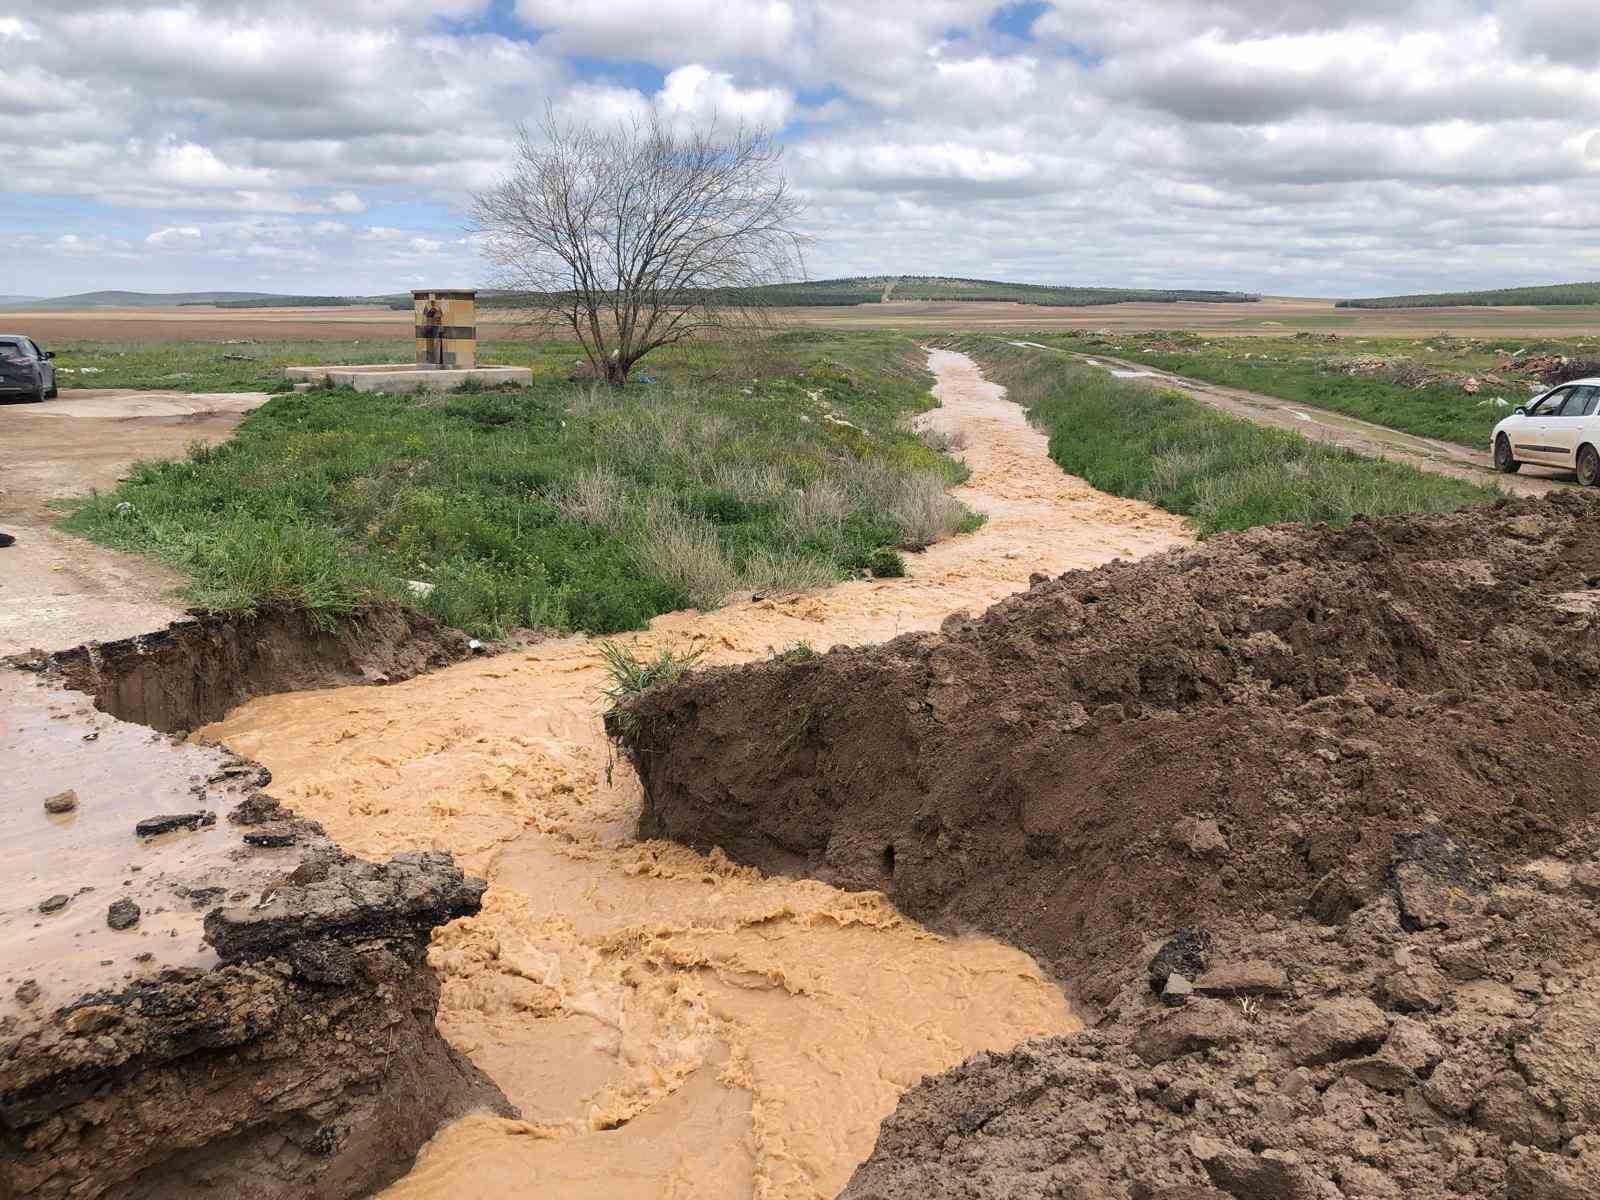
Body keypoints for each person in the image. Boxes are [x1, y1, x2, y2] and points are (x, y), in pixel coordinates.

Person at [421, 299, 444, 367]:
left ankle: (437, 362)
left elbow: (439, 316)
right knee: (432, 346)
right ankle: (432, 362)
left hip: (437, 330)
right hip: (432, 330)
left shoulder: (438, 310)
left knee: (437, 346)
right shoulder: (429, 312)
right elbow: (425, 318)